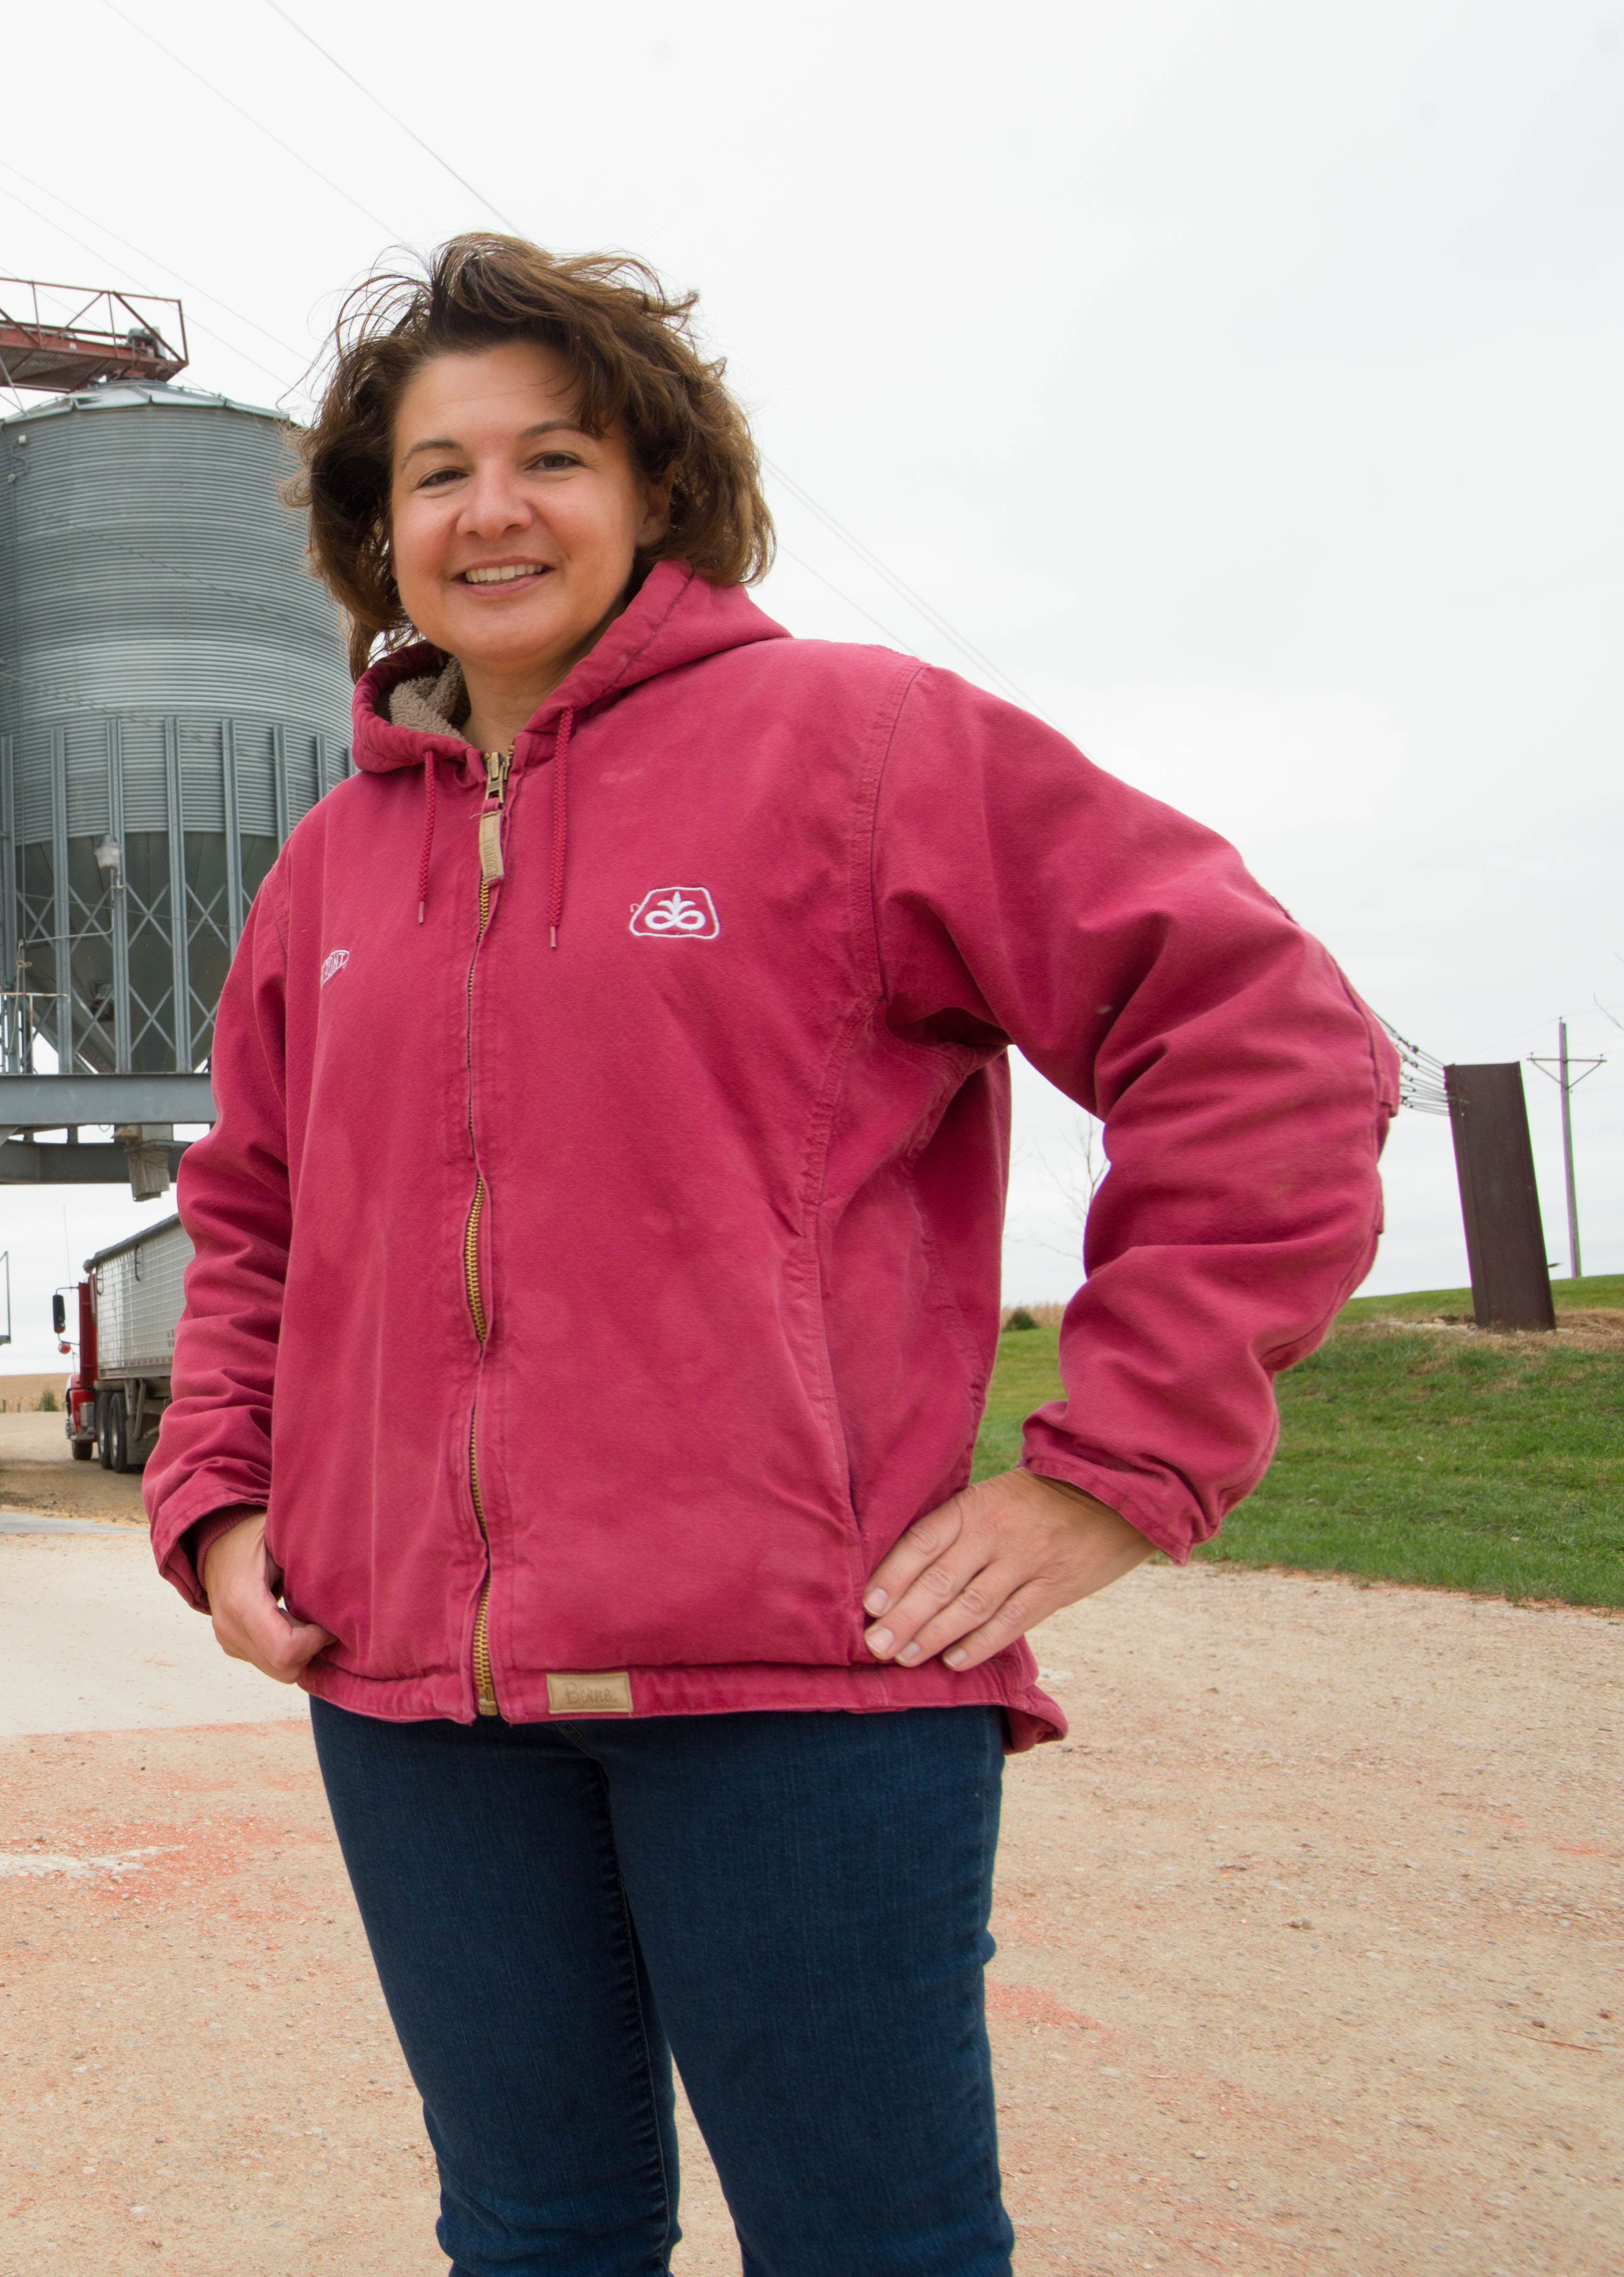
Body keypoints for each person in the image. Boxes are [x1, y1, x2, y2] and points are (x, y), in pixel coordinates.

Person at [144, 235, 1395, 2276]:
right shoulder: (326, 867)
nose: (492, 509)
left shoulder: (860, 743)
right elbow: (253, 1213)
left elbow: (1263, 1042)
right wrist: (215, 1500)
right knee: (533, 2237)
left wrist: (1118, 1462)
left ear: (655, 489)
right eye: (437, 470)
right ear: (379, 532)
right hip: (415, 1714)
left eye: (551, 452)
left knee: (870, 2247)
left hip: (801, 1691)